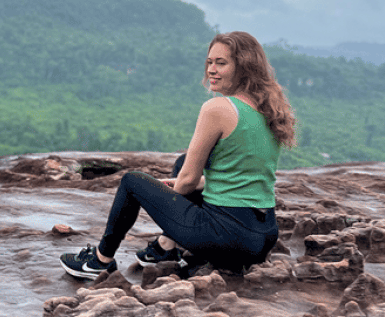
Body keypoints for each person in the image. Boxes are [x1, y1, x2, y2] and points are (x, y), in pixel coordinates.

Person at [60, 31, 296, 279]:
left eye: (221, 63)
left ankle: (99, 261)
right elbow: (245, 175)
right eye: (209, 62)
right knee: (183, 162)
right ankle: (165, 248)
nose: (211, 70)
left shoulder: (217, 108)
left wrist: (158, 195)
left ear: (244, 67)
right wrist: (190, 186)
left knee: (132, 182)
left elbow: (186, 183)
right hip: (263, 236)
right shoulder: (267, 108)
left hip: (227, 239)